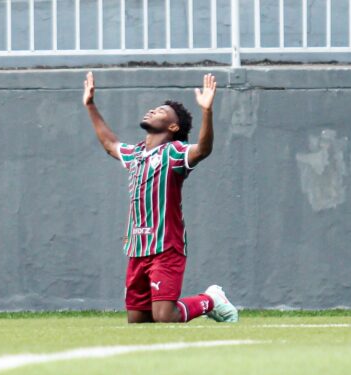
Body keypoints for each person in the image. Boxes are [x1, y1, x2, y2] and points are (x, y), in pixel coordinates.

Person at [82, 71, 237, 324]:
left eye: (161, 112)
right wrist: (90, 105)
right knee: (138, 321)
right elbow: (110, 144)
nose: (152, 111)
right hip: (137, 247)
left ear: (173, 127)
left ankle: (211, 300)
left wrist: (207, 112)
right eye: (153, 109)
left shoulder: (174, 153)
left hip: (167, 246)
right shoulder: (136, 154)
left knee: (164, 316)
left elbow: (203, 149)